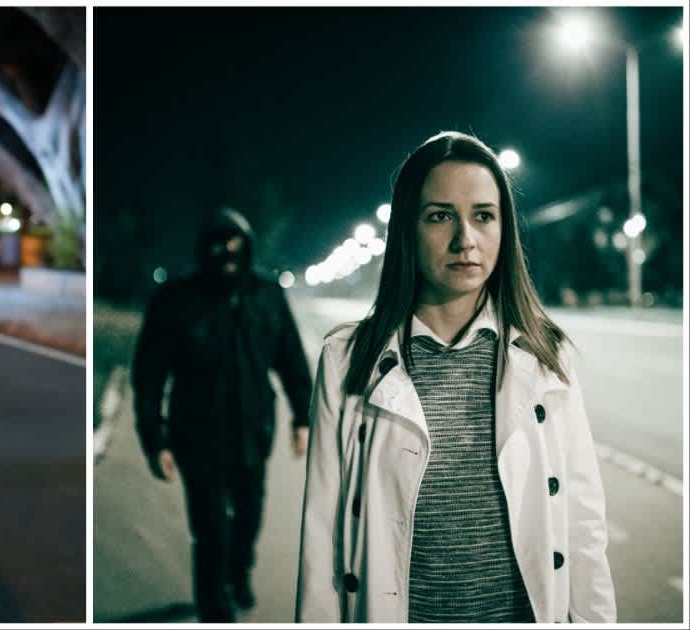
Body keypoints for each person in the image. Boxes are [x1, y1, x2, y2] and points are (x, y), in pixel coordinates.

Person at [295, 131, 615, 623]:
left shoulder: (545, 356)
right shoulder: (348, 360)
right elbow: (322, 536)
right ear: (407, 228)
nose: (465, 238)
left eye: (483, 215)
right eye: (440, 216)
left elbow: (583, 526)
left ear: (503, 229)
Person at [132, 207, 313, 622]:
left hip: (253, 432)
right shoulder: (175, 301)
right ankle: (215, 607)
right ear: (203, 248)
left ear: (246, 246)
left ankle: (239, 572)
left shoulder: (266, 295)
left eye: (234, 243)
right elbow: (149, 377)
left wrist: (302, 418)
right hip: (196, 437)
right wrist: (154, 439)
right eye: (217, 243)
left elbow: (291, 360)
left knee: (249, 518)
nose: (226, 252)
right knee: (211, 529)